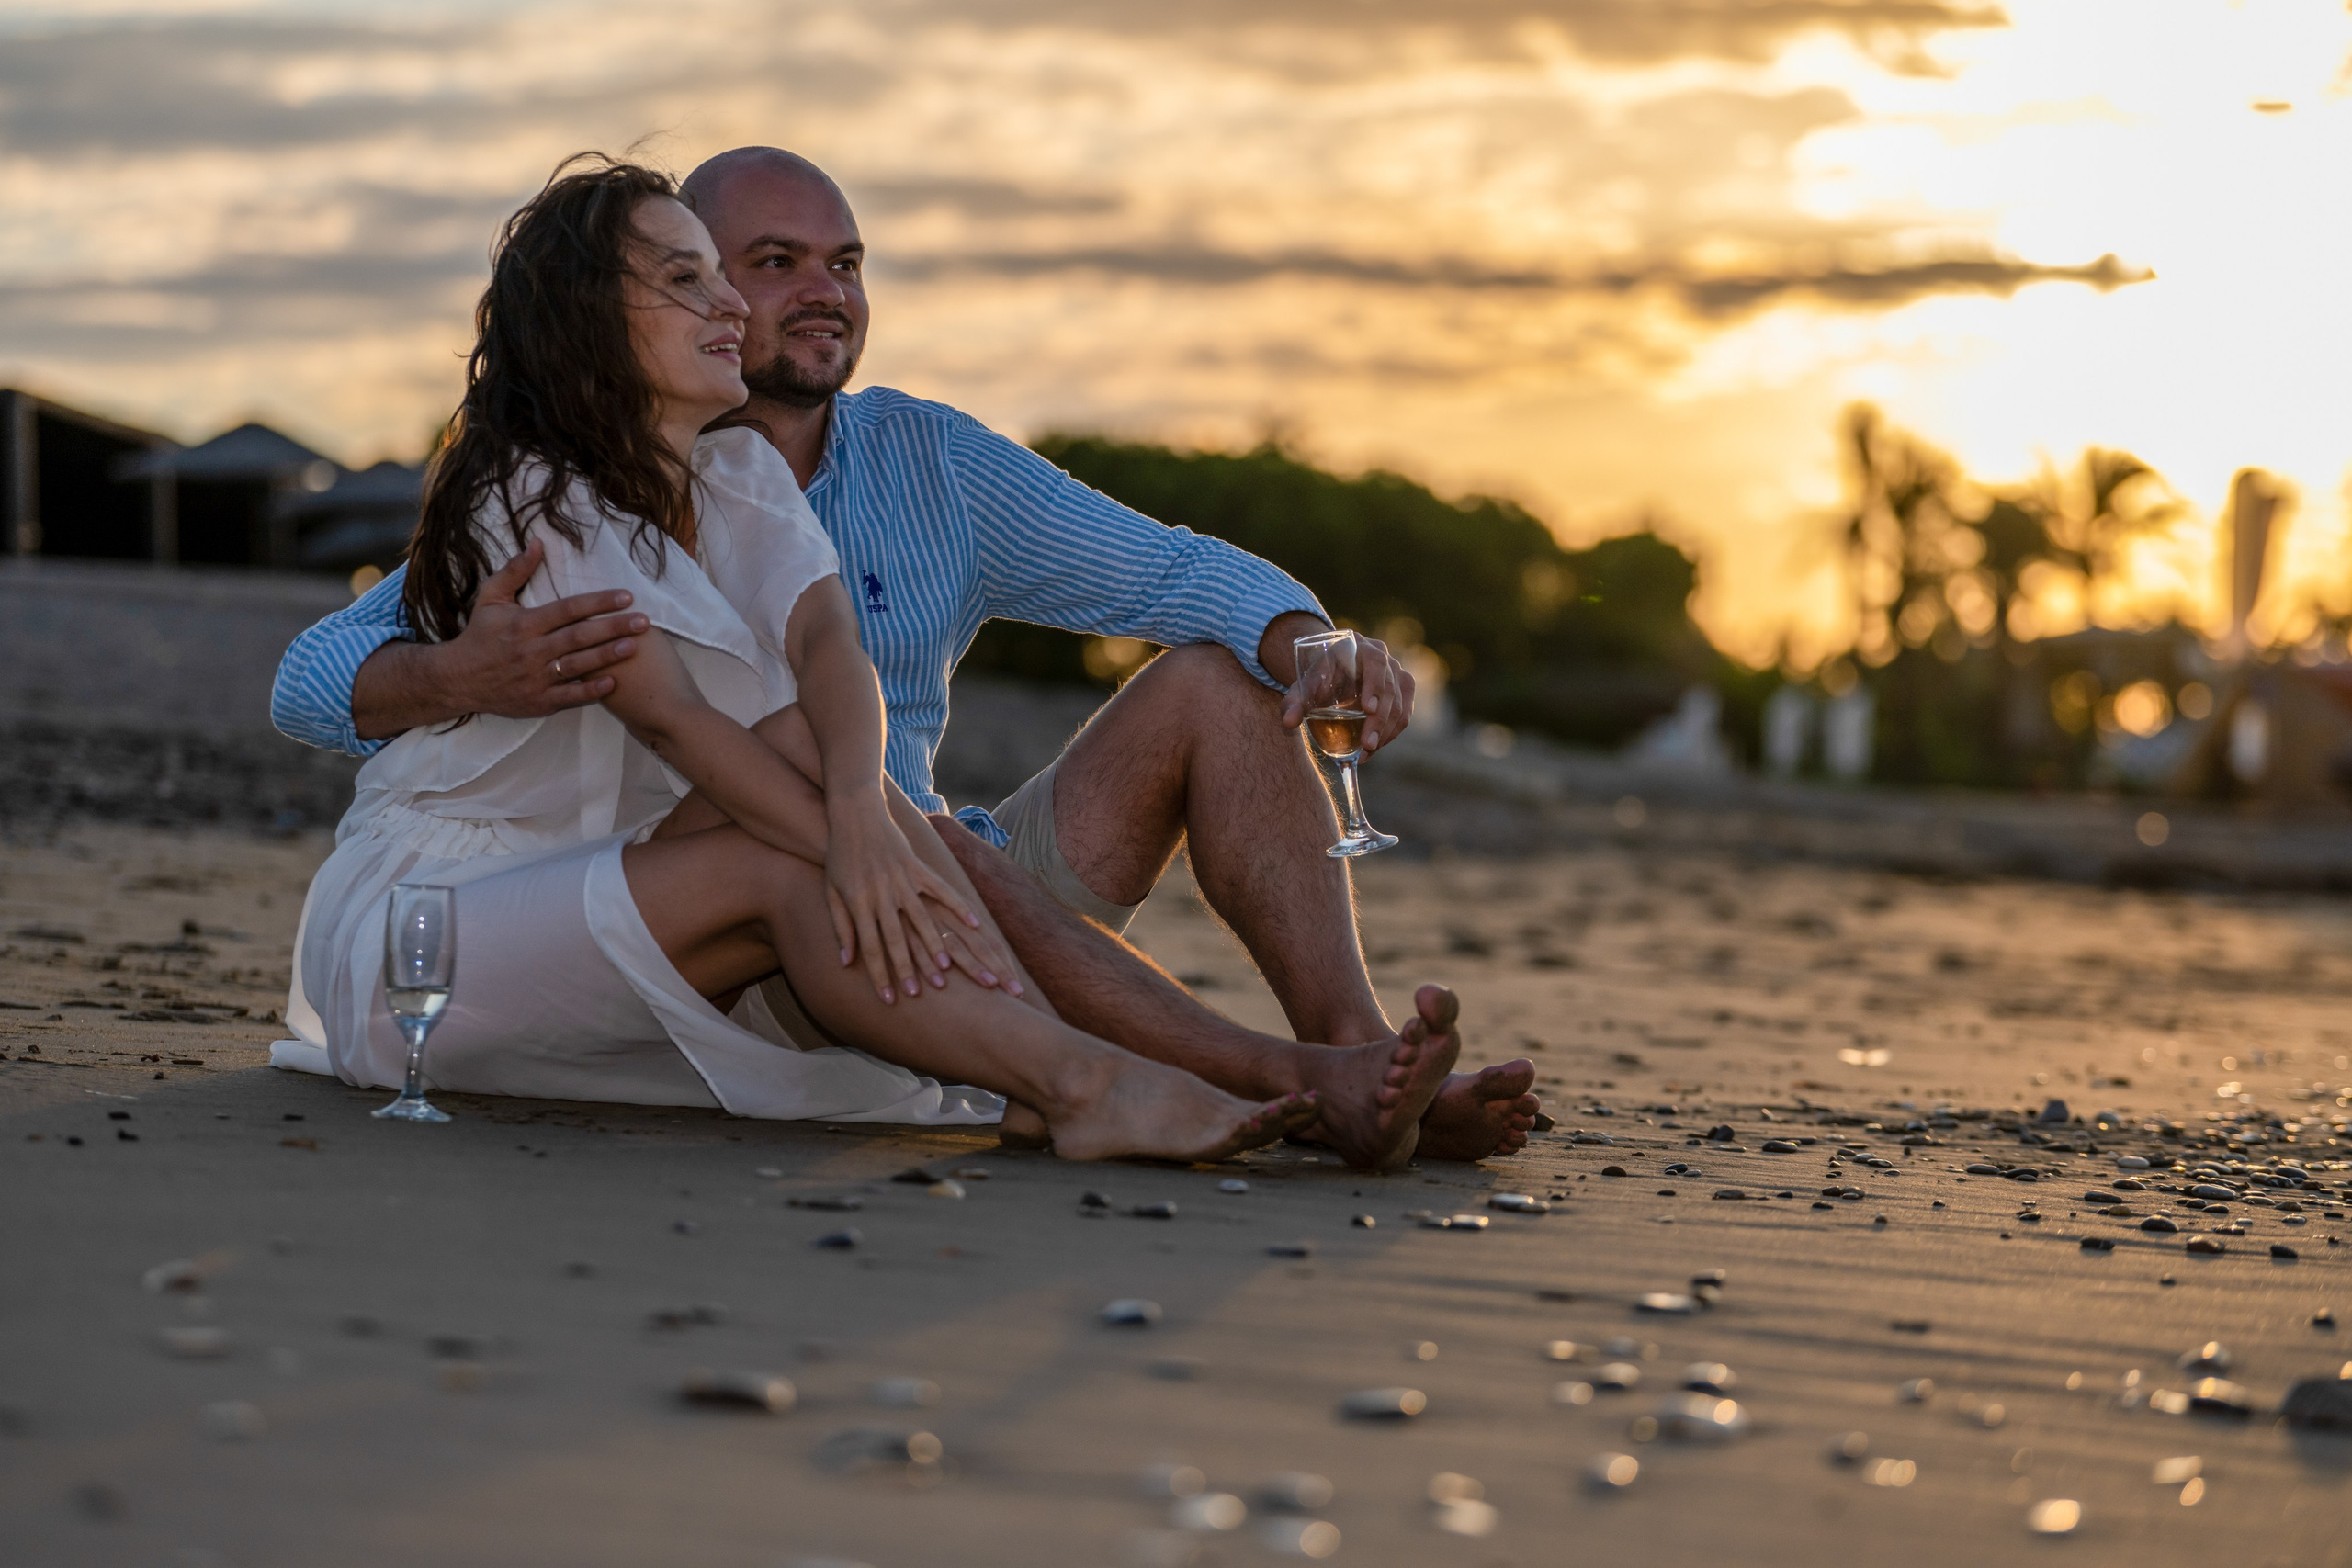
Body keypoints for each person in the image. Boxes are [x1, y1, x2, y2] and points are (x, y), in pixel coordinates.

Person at [272, 147, 1539, 1163]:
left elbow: (1164, 577)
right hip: (759, 903)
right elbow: (314, 680)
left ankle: (1360, 1062)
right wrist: (450, 678)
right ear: (608, 313)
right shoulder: (543, 494)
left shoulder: (886, 465)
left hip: (908, 866)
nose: (817, 291)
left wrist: (1317, 641)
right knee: (865, 813)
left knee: (1223, 681)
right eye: (763, 263)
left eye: (847, 262)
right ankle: (1257, 1083)